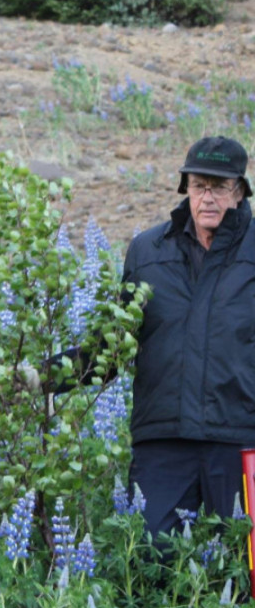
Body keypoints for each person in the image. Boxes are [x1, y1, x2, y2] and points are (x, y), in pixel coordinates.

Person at [47, 136, 255, 543]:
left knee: (240, 564)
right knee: (150, 558)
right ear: (185, 189)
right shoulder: (148, 252)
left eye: (219, 186)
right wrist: (41, 379)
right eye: (199, 185)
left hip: (239, 441)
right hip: (163, 439)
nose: (207, 197)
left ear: (241, 191)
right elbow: (109, 351)